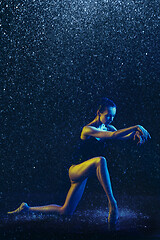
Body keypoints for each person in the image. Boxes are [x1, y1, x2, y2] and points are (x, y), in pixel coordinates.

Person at [7, 97, 151, 227]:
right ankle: (112, 203)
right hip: (74, 169)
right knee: (100, 160)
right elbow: (113, 135)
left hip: (84, 172)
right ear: (99, 113)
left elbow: (121, 136)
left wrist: (137, 134)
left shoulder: (108, 127)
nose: (111, 119)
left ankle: (27, 208)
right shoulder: (88, 129)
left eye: (113, 116)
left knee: (65, 211)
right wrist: (136, 126)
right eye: (108, 116)